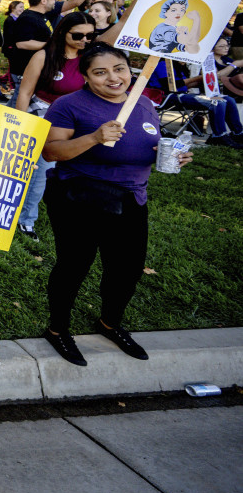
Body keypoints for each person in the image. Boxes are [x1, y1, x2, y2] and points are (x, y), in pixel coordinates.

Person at [40, 43, 192, 367]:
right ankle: (57, 329)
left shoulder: (145, 104)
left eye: (119, 69)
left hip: (131, 198)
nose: (113, 78)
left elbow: (148, 143)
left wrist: (173, 155)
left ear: (129, 70)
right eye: (100, 72)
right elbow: (51, 152)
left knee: (127, 267)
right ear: (85, 76)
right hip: (78, 196)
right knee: (75, 264)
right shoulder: (69, 105)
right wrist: (94, 138)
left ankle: (110, 323)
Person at [13, 12, 97, 238]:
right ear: (63, 31)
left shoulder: (91, 58)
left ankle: (71, 215)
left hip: (79, 120)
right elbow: (25, 91)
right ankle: (25, 220)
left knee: (74, 171)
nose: (84, 40)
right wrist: (21, 124)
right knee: (42, 170)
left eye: (90, 35)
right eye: (78, 35)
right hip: (44, 116)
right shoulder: (44, 56)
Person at [148, 56, 243, 147]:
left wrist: (206, 80)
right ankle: (219, 136)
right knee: (217, 102)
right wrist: (197, 78)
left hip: (180, 94)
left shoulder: (178, 65)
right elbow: (170, 86)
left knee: (228, 99)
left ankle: (238, 133)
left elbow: (184, 85)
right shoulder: (162, 64)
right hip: (165, 97)